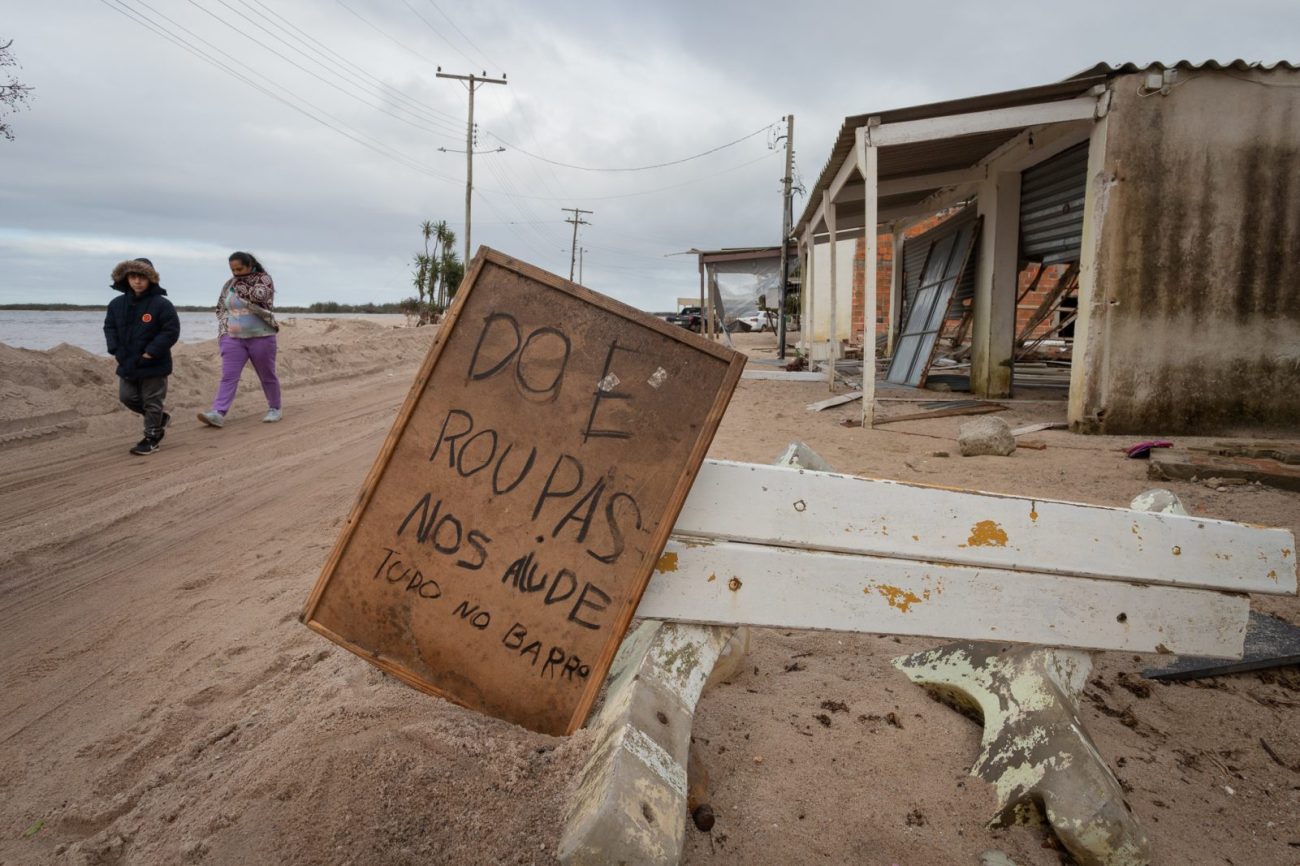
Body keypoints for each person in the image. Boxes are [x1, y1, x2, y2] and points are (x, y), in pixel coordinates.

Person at [104, 258, 181, 455]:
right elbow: (109, 327)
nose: (137, 281)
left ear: (151, 279)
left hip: (154, 362)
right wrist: (115, 349)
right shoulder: (116, 304)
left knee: (152, 400)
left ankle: (152, 437)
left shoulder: (161, 304)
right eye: (133, 277)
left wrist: (151, 352)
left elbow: (171, 331)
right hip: (127, 360)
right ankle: (159, 418)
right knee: (127, 397)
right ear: (126, 278)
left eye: (142, 277)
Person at [198, 251, 282, 428]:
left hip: (262, 336)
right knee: (228, 376)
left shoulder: (264, 279)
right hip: (233, 338)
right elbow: (221, 307)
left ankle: (275, 408)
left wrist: (241, 285)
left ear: (250, 265)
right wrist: (223, 331)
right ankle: (218, 413)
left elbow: (259, 296)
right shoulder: (229, 284)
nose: (235, 272)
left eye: (239, 268)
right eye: (232, 269)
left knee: (267, 375)